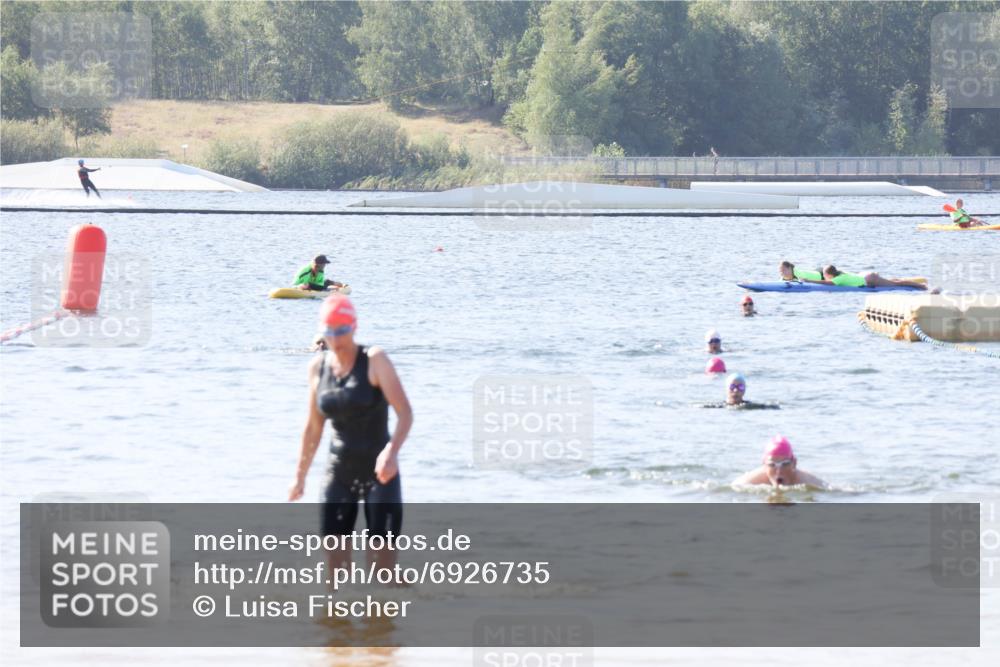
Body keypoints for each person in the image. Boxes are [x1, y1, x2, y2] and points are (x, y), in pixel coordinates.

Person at [289, 295, 413, 573]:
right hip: (339, 471)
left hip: (380, 473)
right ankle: (335, 616)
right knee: (334, 574)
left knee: (383, 575)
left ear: (354, 327)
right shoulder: (318, 368)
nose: (335, 338)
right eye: (329, 331)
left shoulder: (374, 360)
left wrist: (391, 453)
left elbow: (405, 412)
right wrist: (300, 476)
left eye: (341, 330)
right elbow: (313, 428)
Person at [733, 435, 826, 488]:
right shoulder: (747, 482)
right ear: (764, 465)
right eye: (772, 465)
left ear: (794, 464)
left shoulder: (808, 482)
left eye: (785, 464)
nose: (779, 471)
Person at [699, 372, 779, 410]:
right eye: (732, 386)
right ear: (727, 389)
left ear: (744, 390)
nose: (736, 390)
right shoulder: (717, 407)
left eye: (740, 387)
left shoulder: (750, 406)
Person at [821, 265, 927, 290]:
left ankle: (922, 286)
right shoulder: (840, 274)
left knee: (897, 284)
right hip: (866, 275)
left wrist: (807, 280)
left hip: (869, 278)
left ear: (830, 275)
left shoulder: (838, 279)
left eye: (824, 275)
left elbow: (828, 283)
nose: (824, 277)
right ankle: (918, 283)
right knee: (894, 281)